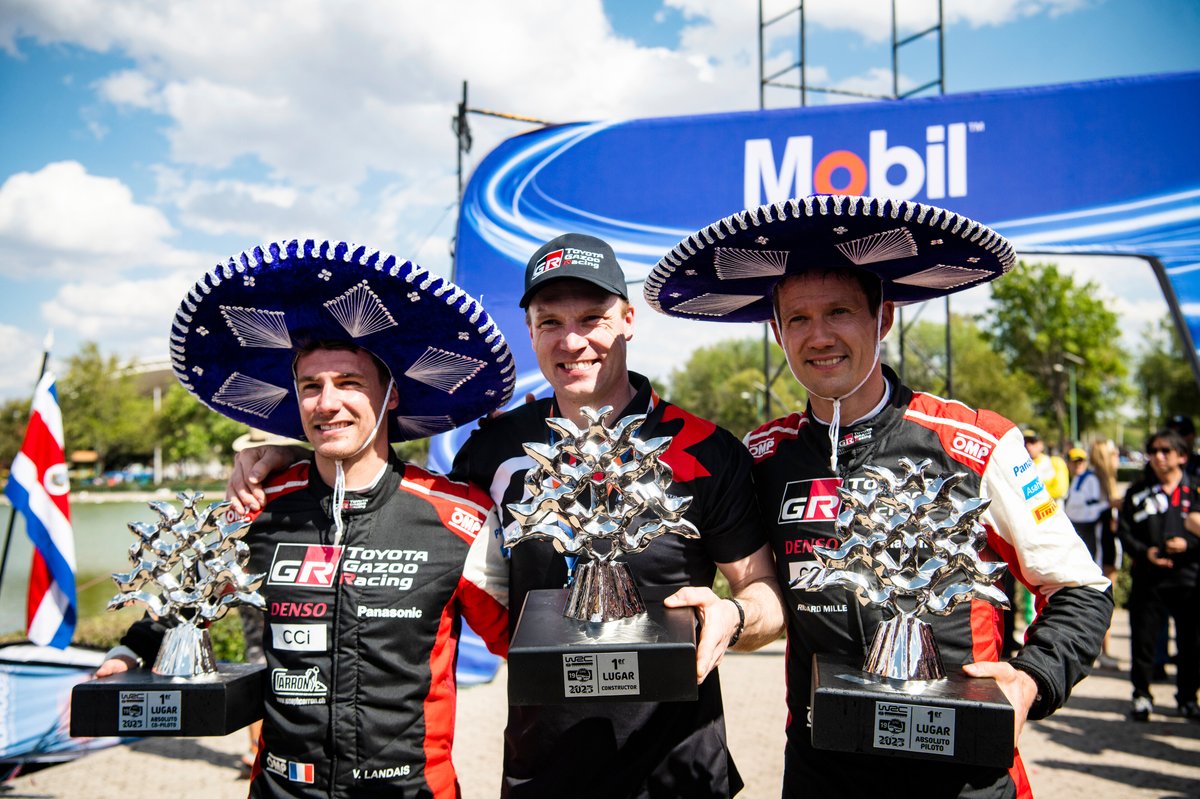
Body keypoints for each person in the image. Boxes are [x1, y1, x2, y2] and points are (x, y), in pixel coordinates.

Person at [229, 232, 786, 799]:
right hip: (541, 773)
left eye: (592, 317)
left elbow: (764, 593)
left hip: (676, 771)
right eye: (550, 322)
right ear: (531, 332)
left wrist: (737, 621)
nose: (572, 341)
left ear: (627, 319)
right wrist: (295, 461)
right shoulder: (495, 449)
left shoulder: (708, 450)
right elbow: (399, 500)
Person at [643, 194, 1114, 798]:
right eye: (799, 319)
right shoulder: (764, 454)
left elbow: (1080, 589)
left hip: (963, 774)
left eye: (839, 311)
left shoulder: (976, 443)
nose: (819, 337)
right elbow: (762, 592)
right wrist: (731, 614)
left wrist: (1029, 681)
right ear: (777, 331)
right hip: (822, 769)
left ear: (883, 319)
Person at [96, 239, 514, 798]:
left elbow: (527, 641)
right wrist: (132, 650)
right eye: (311, 386)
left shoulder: (456, 517)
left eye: (349, 383)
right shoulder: (260, 505)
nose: (326, 403)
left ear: (390, 396)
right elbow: (192, 601)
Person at [1117, 429, 1200, 722]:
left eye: (1165, 451)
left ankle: (1188, 698)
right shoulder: (1137, 492)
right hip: (1148, 578)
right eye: (1153, 451)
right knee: (1143, 640)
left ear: (1182, 456)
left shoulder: (1195, 491)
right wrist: (1145, 552)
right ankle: (1142, 695)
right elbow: (1124, 532)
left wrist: (1189, 544)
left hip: (1189, 578)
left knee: (1191, 642)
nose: (1158, 457)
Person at [1023, 430, 1070, 501]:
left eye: (1032, 441)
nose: (1028, 446)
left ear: (1041, 444)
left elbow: (1060, 491)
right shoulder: (1019, 468)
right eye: (1024, 442)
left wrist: (1031, 495)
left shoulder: (1055, 462)